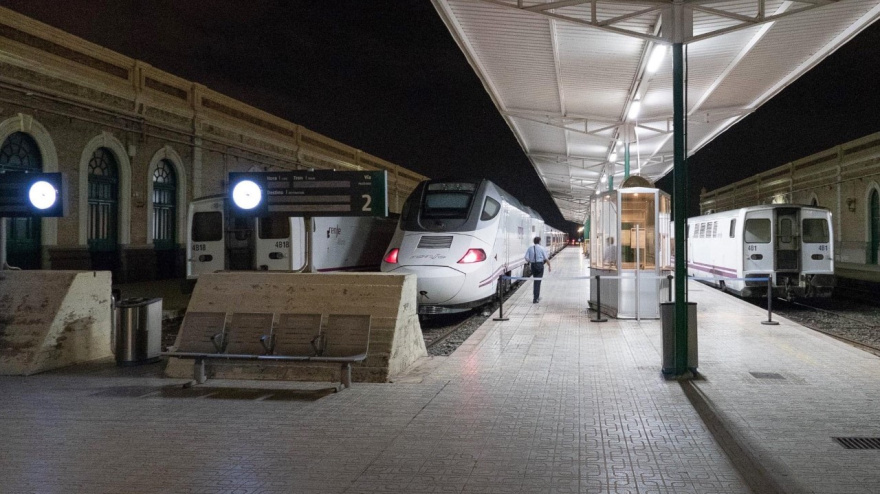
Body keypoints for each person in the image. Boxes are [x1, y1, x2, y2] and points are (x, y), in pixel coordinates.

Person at [524, 236, 551, 303]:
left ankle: (536, 297)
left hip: (533, 265)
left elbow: (526, 258)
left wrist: (531, 261)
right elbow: (546, 258)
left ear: (534, 241)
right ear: (539, 241)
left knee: (535, 280)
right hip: (539, 265)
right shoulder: (542, 248)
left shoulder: (530, 248)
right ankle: (535, 298)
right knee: (538, 281)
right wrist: (549, 266)